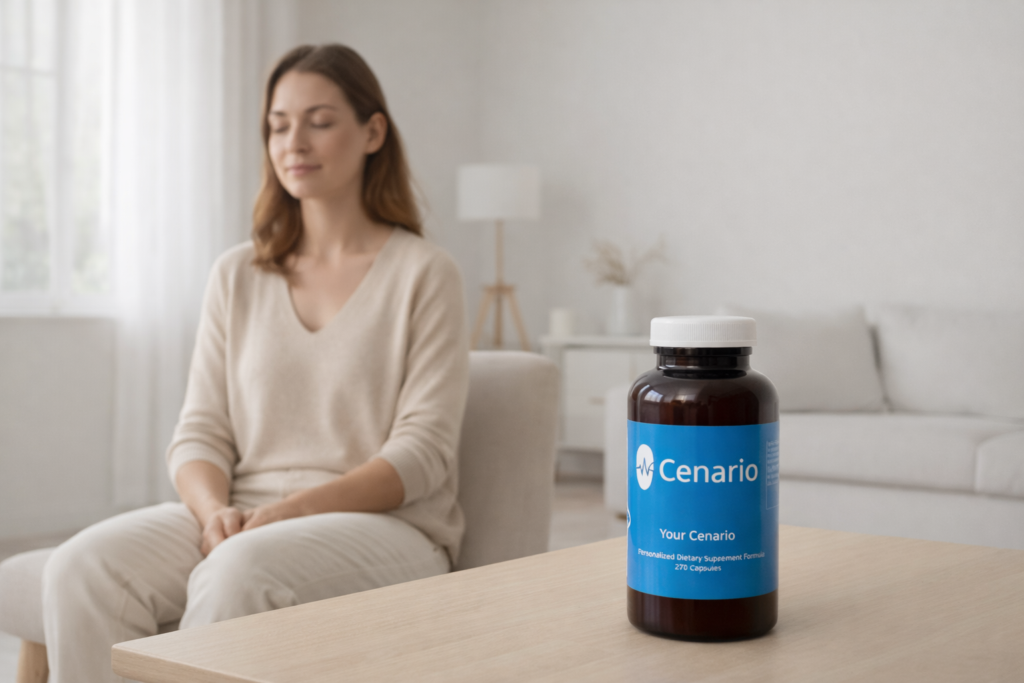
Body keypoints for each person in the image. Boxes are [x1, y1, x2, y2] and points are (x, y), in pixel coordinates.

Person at [41, 44, 469, 683]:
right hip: (243, 514)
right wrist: (216, 514)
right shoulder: (236, 273)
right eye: (277, 124)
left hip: (385, 527)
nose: (294, 140)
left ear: (372, 131)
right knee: (82, 568)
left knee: (240, 570)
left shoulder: (425, 273)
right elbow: (199, 433)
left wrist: (283, 515)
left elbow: (423, 453)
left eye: (319, 120)